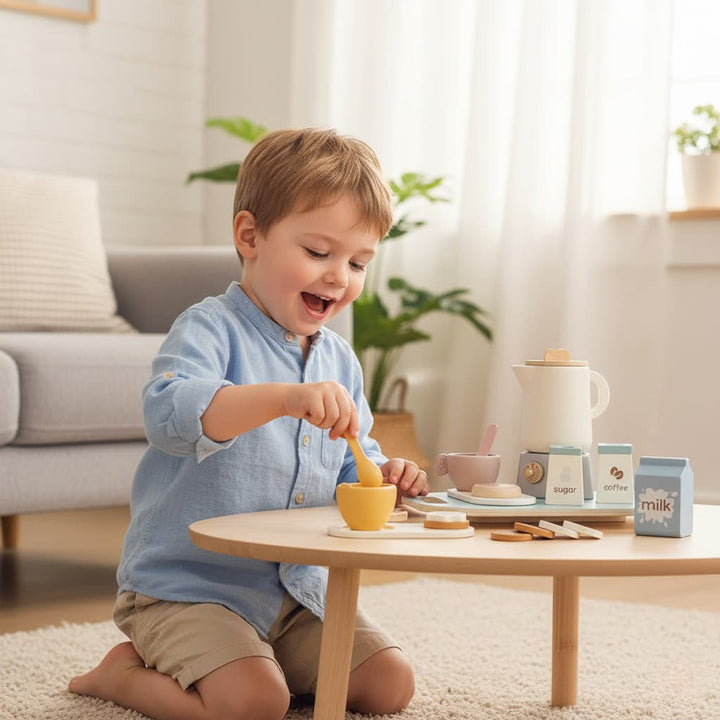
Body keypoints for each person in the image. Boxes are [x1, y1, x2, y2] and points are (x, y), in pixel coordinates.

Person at [69, 127, 429, 720]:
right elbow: (170, 411)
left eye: (358, 261)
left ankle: (255, 657)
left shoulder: (339, 359)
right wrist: (282, 398)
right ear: (250, 236)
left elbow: (350, 459)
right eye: (318, 253)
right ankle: (122, 675)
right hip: (188, 590)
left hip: (294, 594)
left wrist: (387, 473)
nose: (339, 276)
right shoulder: (208, 328)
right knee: (254, 705)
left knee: (389, 684)